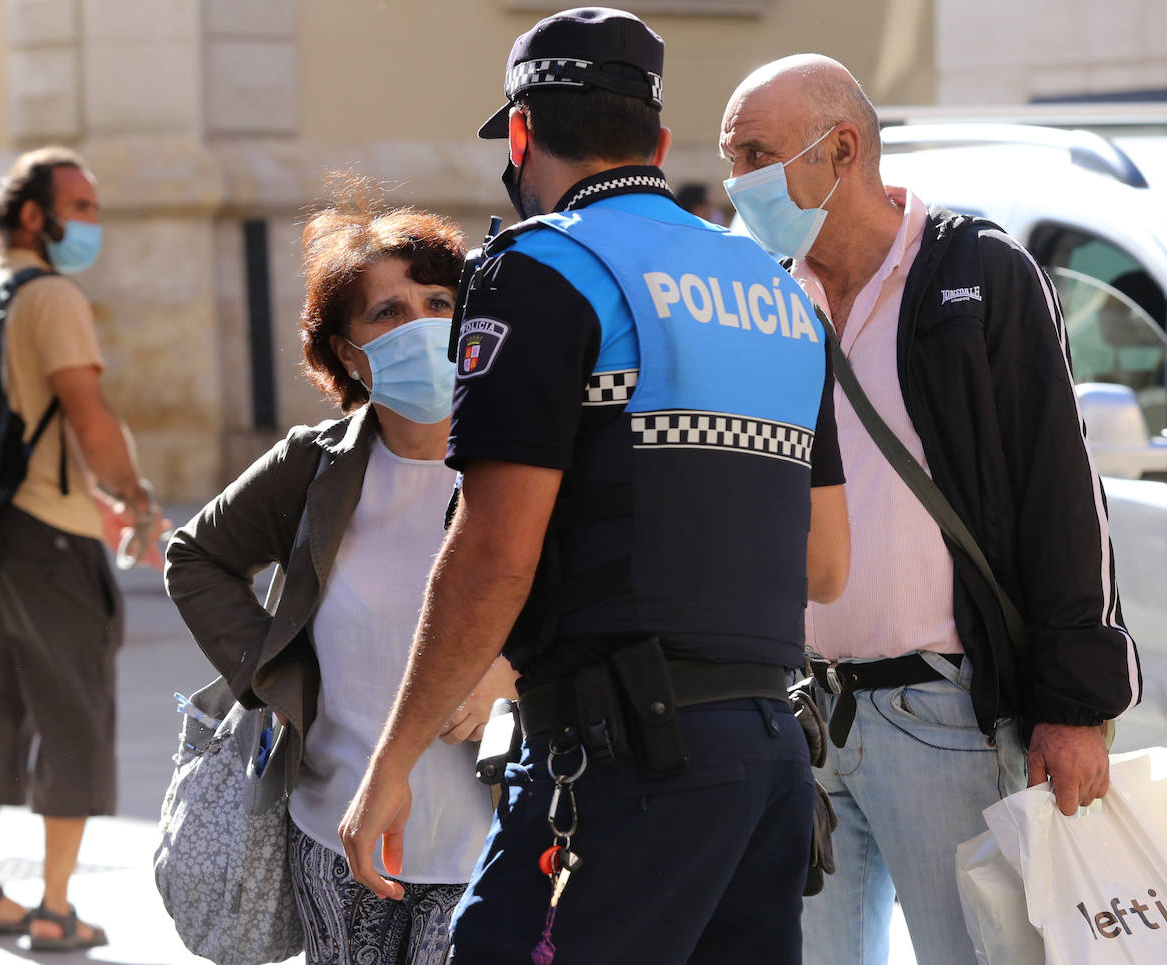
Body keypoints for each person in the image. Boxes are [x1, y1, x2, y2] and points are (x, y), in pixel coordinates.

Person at [339, 9, 849, 964]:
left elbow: (493, 555)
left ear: (522, 133)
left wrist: (393, 759)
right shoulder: (779, 290)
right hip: (770, 762)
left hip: (617, 766)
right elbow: (825, 565)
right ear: (656, 141)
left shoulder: (539, 269)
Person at [718, 55, 1142, 965]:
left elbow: (1059, 494)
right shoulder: (759, 294)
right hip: (804, 717)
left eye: (755, 152)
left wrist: (1075, 706)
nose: (735, 181)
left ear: (841, 149)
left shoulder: (979, 273)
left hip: (942, 716)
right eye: (729, 156)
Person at [164, 182, 517, 965]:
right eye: (388, 311)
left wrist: (517, 674)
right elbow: (195, 557)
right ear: (347, 353)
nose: (422, 324)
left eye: (438, 300)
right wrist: (278, 679)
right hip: (334, 830)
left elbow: (610, 595)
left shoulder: (523, 462)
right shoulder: (314, 465)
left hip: (489, 840)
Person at [0, 146, 164, 952]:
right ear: (34, 214)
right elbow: (86, 409)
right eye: (82, 206)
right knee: (72, 705)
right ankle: (56, 905)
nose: (92, 222)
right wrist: (134, 496)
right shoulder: (52, 294)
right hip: (49, 533)